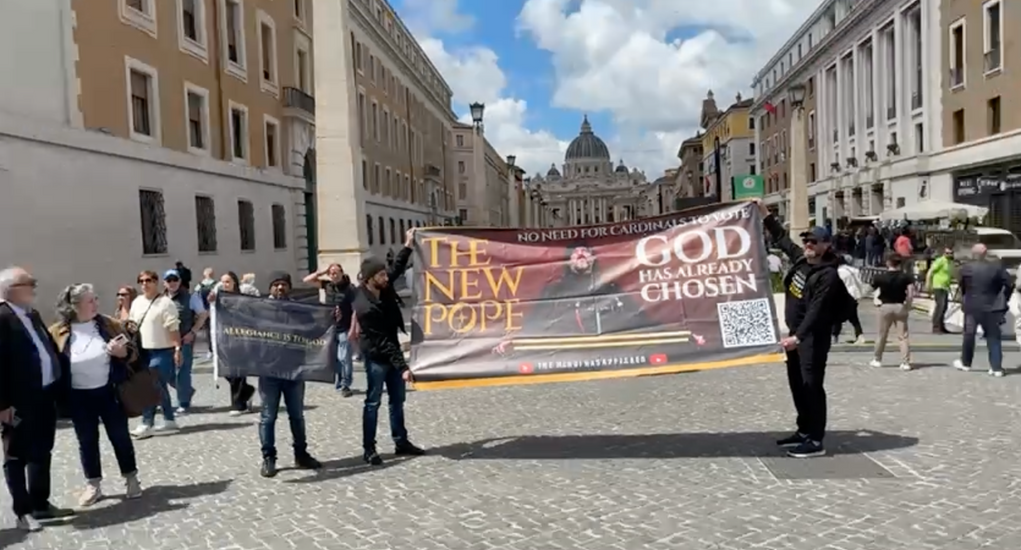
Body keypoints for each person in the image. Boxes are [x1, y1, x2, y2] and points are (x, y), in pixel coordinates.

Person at [759, 203, 845, 459]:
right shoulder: (801, 260)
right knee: (797, 385)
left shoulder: (828, 275)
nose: (808, 244)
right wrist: (765, 214)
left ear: (826, 245)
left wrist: (798, 337)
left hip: (812, 338)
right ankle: (804, 430)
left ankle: (816, 440)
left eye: (814, 242)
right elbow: (782, 239)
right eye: (806, 240)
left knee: (811, 386)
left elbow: (816, 311)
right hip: (795, 334)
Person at [49, 284, 142, 506]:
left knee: (120, 436)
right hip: (78, 396)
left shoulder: (109, 324)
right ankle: (93, 485)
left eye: (96, 299)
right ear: (74, 306)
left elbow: (133, 353)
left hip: (109, 392)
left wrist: (122, 353)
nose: (96, 304)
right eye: (90, 301)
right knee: (87, 441)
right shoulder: (57, 332)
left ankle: (131, 478)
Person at [0, 266, 75, 531]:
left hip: (44, 395)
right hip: (17, 402)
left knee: (42, 451)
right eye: (29, 283)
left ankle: (40, 504)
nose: (34, 287)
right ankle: (23, 512)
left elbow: (47, 348)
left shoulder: (32, 314)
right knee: (16, 455)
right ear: (12, 289)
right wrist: (2, 404)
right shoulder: (2, 317)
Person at [354, 229, 425, 466]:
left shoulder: (383, 287)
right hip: (376, 357)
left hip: (391, 352)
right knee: (373, 403)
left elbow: (397, 268)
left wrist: (408, 245)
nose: (386, 277)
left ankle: (400, 441)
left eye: (385, 274)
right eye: (381, 275)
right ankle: (369, 449)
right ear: (369, 278)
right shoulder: (364, 306)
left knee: (397, 401)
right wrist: (403, 367)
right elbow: (383, 341)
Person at [257, 272, 321, 477]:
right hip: (269, 371)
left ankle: (301, 454)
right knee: (268, 417)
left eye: (283, 284)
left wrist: (333, 318)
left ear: (289, 287)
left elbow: (314, 330)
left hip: (294, 370)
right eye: (276, 284)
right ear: (270, 288)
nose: (280, 288)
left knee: (297, 415)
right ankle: (268, 457)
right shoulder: (260, 309)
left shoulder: (299, 309)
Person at [129, 270, 182, 438]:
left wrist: (177, 349)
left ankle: (147, 423)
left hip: (163, 350)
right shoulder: (137, 302)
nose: (145, 284)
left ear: (156, 282)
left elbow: (173, 327)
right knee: (158, 386)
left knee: (150, 385)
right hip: (143, 351)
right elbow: (131, 324)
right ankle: (169, 420)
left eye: (148, 280)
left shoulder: (165, 303)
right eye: (141, 281)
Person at [954, 243, 1013, 377]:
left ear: (973, 253)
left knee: (969, 335)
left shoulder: (966, 268)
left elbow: (962, 286)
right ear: (986, 253)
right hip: (992, 305)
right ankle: (996, 367)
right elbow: (1009, 283)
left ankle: (966, 363)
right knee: (993, 337)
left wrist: (965, 297)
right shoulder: (996, 268)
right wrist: (1003, 297)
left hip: (971, 305)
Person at [303, 264, 357, 397]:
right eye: (331, 273)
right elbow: (306, 280)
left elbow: (356, 310)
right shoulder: (328, 285)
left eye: (336, 272)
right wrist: (322, 272)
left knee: (344, 357)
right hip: (331, 327)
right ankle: (339, 383)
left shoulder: (350, 288)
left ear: (342, 273)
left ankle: (345, 384)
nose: (334, 275)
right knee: (335, 358)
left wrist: (353, 329)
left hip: (345, 326)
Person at [208, 272, 255, 415]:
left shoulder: (241, 299)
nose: (225, 284)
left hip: (239, 338)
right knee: (227, 371)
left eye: (227, 281)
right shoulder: (219, 298)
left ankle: (239, 405)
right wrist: (211, 301)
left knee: (238, 372)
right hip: (224, 339)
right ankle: (247, 391)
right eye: (222, 282)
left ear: (234, 283)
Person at [163, 269, 208, 413]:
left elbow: (203, 314)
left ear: (180, 281)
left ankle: (183, 403)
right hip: (165, 341)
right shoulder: (160, 299)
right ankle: (187, 391)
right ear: (164, 283)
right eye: (169, 280)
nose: (172, 283)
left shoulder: (191, 297)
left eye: (175, 280)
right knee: (165, 372)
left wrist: (193, 332)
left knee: (182, 372)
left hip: (184, 340)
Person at [868, 254, 915, 371]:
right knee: (903, 336)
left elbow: (870, 289)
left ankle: (877, 359)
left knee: (882, 335)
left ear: (888, 263)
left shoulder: (880, 277)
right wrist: (908, 305)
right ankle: (905, 362)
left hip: (885, 306)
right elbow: (910, 293)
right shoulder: (906, 277)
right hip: (900, 306)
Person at [833, 255, 866, 345]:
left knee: (837, 317)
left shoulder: (839, 272)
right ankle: (859, 335)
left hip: (845, 296)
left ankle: (835, 336)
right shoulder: (855, 270)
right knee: (854, 317)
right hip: (855, 294)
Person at [926, 247, 954, 334]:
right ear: (943, 253)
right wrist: (928, 283)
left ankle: (941, 326)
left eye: (950, 253)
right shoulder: (940, 261)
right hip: (938, 286)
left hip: (945, 286)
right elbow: (930, 271)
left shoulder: (949, 262)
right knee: (940, 306)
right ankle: (936, 326)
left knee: (944, 306)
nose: (949, 255)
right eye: (947, 253)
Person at [195, 268, 218, 361]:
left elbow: (196, 297)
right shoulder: (216, 284)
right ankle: (214, 349)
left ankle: (210, 349)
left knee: (208, 330)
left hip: (205, 310)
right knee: (215, 329)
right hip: (213, 310)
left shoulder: (200, 285)